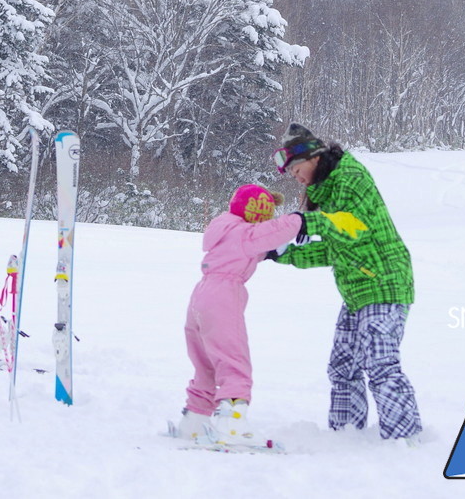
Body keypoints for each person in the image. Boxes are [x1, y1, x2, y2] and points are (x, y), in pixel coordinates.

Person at [172, 183, 370, 446]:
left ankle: (194, 422)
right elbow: (275, 230)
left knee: (206, 362)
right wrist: (301, 220)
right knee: (234, 360)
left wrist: (273, 252)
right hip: (223, 297)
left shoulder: (225, 226)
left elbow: (256, 245)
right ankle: (232, 426)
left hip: (200, 296)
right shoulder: (246, 234)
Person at [269, 123, 422, 442]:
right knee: (343, 367)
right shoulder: (324, 191)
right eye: (291, 172)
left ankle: (406, 441)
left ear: (313, 158)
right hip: (357, 291)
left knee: (380, 364)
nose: (295, 176)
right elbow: (333, 247)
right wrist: (281, 253)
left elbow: (353, 228)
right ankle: (346, 439)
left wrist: (303, 222)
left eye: (296, 168)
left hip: (385, 283)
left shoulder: (350, 178)